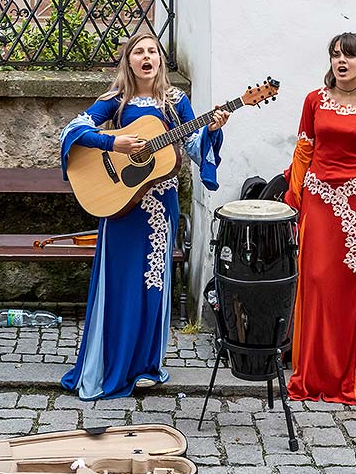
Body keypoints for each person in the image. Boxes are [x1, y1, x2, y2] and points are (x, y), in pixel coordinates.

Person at [59, 32, 229, 400]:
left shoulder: (175, 102)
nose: (147, 56)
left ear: (160, 61)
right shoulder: (115, 100)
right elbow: (74, 130)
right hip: (120, 207)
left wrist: (212, 130)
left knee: (153, 285)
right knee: (119, 284)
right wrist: (112, 142)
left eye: (153, 51)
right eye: (139, 52)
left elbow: (195, 146)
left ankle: (145, 367)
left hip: (159, 207)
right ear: (129, 61)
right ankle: (110, 364)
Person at [284, 32, 356, 404]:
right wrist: (294, 201)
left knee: (349, 291)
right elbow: (304, 151)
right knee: (315, 282)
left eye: (348, 56)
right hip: (318, 204)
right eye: (335, 56)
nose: (341, 62)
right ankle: (309, 376)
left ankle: (346, 380)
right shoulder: (314, 101)